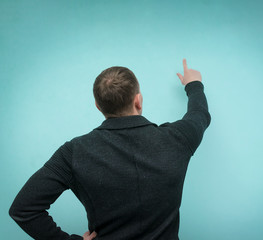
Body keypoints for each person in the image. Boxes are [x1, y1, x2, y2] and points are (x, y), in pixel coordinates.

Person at [9, 59, 211, 240]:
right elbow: (199, 114)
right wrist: (194, 84)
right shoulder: (178, 138)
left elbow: (24, 210)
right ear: (138, 100)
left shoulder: (73, 153)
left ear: (98, 106)